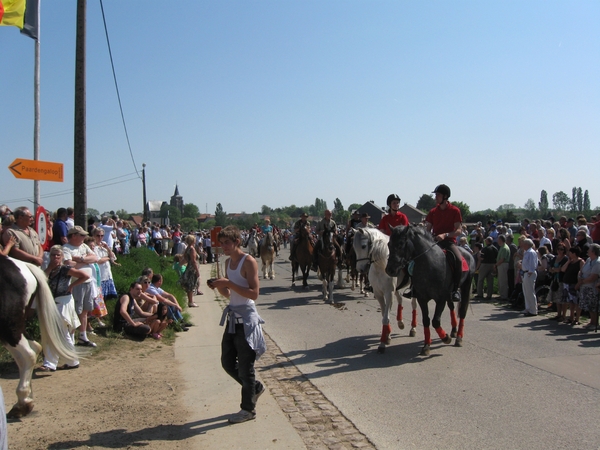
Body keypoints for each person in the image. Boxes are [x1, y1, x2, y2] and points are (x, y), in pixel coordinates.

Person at [208, 225, 265, 424]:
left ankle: (248, 409)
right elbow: (230, 295)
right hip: (233, 319)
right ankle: (254, 388)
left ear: (237, 242)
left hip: (246, 321)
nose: (223, 246)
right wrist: (220, 287)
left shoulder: (248, 261)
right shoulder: (227, 262)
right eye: (221, 243)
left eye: (227, 243)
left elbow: (254, 294)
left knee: (246, 367)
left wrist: (229, 284)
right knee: (227, 362)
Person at [38, 245, 87, 371]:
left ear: (62, 257)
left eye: (58, 255)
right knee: (61, 333)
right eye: (53, 255)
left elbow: (84, 276)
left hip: (63, 302)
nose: (55, 257)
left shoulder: (65, 269)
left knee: (59, 333)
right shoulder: (48, 269)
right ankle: (70, 361)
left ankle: (51, 363)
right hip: (52, 303)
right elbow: (42, 281)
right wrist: (49, 268)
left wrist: (72, 285)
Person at [62, 226, 100, 347]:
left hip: (88, 283)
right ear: (73, 236)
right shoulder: (66, 248)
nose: (84, 237)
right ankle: (71, 337)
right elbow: (68, 264)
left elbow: (95, 258)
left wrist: (80, 259)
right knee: (74, 310)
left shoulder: (84, 246)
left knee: (85, 310)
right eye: (82, 235)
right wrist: (85, 261)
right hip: (76, 283)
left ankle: (83, 336)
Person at [425, 185, 463, 301]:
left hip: (449, 242)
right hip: (435, 242)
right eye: (435, 195)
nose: (436, 197)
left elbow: (458, 230)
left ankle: (456, 290)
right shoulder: (433, 211)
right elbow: (427, 229)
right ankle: (415, 287)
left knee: (458, 259)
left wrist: (445, 235)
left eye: (438, 195)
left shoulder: (455, 210)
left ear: (445, 196)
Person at [575, 244, 600, 329]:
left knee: (593, 305)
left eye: (589, 249)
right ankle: (591, 322)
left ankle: (595, 323)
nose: (587, 251)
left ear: (593, 252)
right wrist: (579, 276)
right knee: (588, 305)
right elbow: (582, 270)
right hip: (585, 286)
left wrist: (581, 282)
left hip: (592, 287)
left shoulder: (597, 262)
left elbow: (593, 277)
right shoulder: (589, 259)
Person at [180, 234, 201, 307]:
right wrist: (197, 271)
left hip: (189, 267)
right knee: (191, 285)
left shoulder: (188, 248)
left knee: (190, 285)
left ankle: (190, 301)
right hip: (192, 269)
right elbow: (193, 261)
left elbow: (185, 258)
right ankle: (191, 301)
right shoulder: (192, 249)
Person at [521, 239, 538, 316]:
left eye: (524, 244)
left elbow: (532, 263)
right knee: (526, 292)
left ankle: (533, 310)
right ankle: (528, 308)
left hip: (529, 273)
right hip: (525, 273)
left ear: (527, 244)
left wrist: (530, 272)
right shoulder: (526, 252)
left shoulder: (531, 252)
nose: (523, 245)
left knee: (530, 292)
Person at [495, 234, 510, 300]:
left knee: (503, 281)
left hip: (503, 264)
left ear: (501, 240)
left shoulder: (504, 248)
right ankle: (501, 294)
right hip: (500, 265)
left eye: (498, 239)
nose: (497, 241)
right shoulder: (502, 247)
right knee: (500, 280)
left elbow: (502, 259)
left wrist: (496, 264)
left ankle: (504, 296)